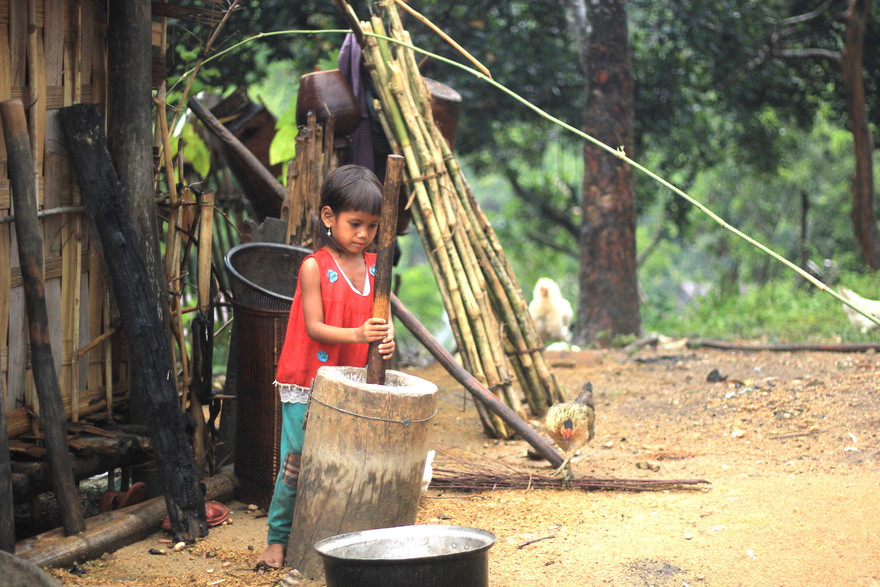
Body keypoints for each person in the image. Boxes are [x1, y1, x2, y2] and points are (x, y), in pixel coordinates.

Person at [257, 165, 396, 568]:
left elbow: (382, 326)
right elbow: (315, 327)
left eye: (372, 226)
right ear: (328, 217)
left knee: (350, 458)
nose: (364, 235)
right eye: (355, 224)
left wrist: (386, 339)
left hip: (354, 383)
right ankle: (277, 538)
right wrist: (360, 335)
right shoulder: (315, 267)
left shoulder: (376, 268)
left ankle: (338, 535)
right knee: (297, 460)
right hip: (309, 379)